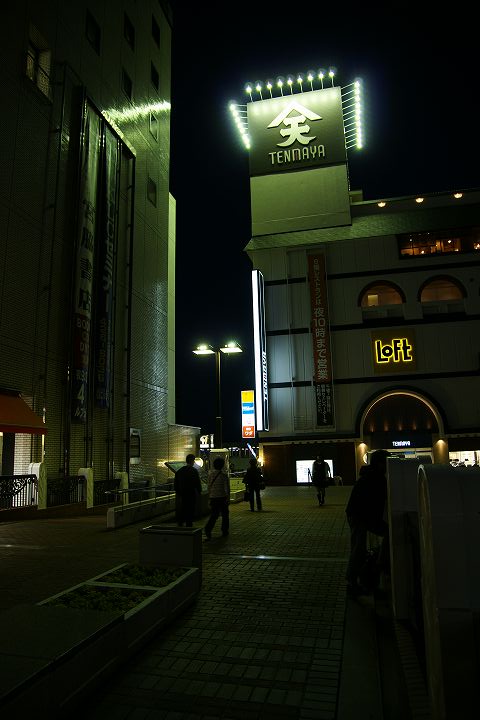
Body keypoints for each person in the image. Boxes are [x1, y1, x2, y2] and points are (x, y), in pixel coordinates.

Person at [345, 449, 390, 596]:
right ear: (380, 463)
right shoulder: (377, 478)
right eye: (386, 462)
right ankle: (353, 581)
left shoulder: (370, 475)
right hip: (360, 516)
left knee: (359, 547)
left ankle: (364, 578)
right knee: (358, 548)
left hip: (359, 515)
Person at [204, 456, 230, 539]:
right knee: (225, 515)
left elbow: (209, 487)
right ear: (222, 465)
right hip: (222, 498)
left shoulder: (210, 475)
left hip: (213, 497)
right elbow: (226, 488)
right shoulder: (224, 476)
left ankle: (208, 529)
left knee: (214, 515)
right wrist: (228, 498)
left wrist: (209, 497)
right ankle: (224, 530)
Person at [174, 454, 202, 527]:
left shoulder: (179, 471)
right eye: (194, 461)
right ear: (192, 461)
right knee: (190, 509)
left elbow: (176, 484)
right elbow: (197, 483)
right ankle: (189, 524)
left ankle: (180, 523)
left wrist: (178, 492)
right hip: (191, 494)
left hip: (182, 494)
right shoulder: (194, 471)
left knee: (183, 508)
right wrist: (199, 492)